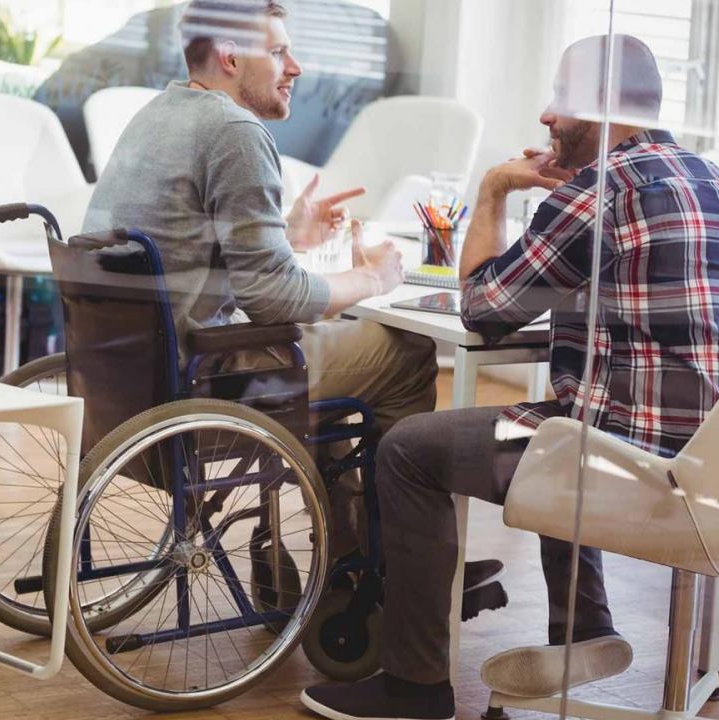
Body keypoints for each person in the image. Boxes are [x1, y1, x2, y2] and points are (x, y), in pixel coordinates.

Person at [302, 34, 719, 720]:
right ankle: (585, 629)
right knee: (559, 417)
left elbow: (484, 308)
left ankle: (415, 685)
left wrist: (493, 191)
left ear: (603, 111)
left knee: (410, 450)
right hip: (717, 462)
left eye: (562, 102)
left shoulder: (598, 193)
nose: (546, 117)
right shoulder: (714, 181)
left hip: (624, 464)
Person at [81, 0, 507, 599]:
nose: (296, 67)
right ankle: (398, 567)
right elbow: (274, 300)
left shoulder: (160, 113)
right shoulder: (234, 130)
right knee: (404, 353)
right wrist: (375, 279)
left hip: (124, 377)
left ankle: (348, 553)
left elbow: (181, 248)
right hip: (198, 377)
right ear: (231, 57)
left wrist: (286, 233)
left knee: (338, 368)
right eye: (278, 51)